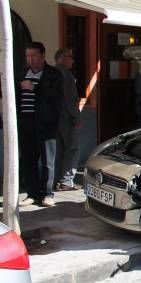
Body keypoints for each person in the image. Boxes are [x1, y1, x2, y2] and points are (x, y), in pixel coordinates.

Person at [18, 42, 63, 208]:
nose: (30, 59)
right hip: (25, 122)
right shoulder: (22, 73)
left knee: (47, 161)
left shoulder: (53, 74)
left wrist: (34, 88)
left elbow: (56, 98)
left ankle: (47, 194)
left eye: (34, 55)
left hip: (45, 124)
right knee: (28, 159)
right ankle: (32, 193)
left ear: (43, 56)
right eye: (28, 56)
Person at [54, 48, 81, 191]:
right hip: (66, 118)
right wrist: (76, 118)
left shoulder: (51, 73)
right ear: (63, 58)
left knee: (58, 150)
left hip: (54, 118)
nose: (73, 60)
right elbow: (70, 100)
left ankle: (56, 179)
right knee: (72, 148)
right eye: (70, 57)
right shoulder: (66, 74)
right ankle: (66, 181)